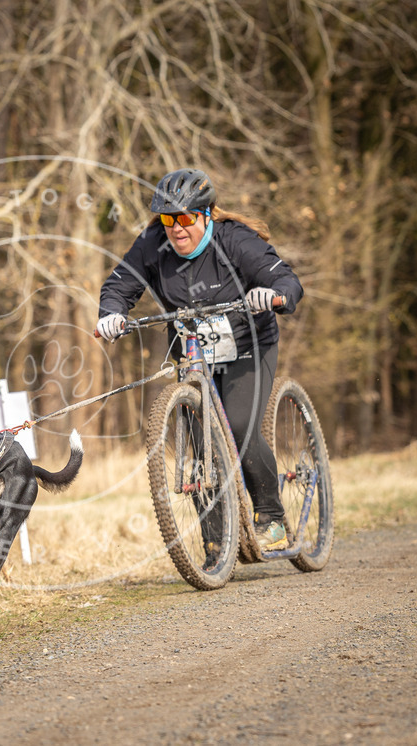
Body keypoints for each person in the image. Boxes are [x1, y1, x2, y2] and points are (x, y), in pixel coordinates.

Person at [95, 167, 303, 554]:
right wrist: (111, 313)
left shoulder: (234, 239)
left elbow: (285, 280)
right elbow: (119, 285)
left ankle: (272, 519)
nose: (177, 229)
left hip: (248, 345)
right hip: (192, 351)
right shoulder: (153, 244)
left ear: (206, 215)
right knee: (198, 444)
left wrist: (274, 295)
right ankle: (216, 542)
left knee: (239, 426)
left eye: (186, 218)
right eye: (168, 220)